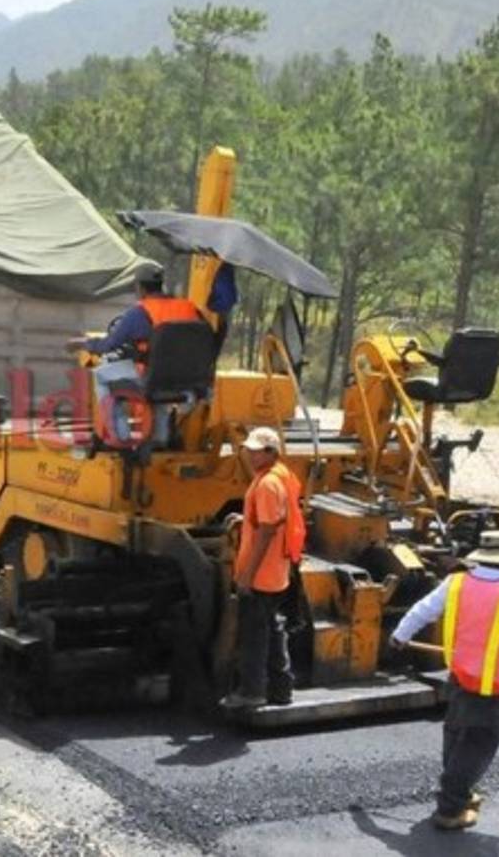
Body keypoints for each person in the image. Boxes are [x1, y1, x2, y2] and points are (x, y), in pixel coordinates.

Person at [390, 532, 499, 831]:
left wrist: (400, 635)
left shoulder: (456, 582)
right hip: (495, 685)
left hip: (460, 674)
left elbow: (423, 610)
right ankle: (451, 808)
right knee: (479, 743)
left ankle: (459, 790)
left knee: (455, 732)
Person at [66, 263, 203, 443]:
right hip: (185, 381)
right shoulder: (190, 309)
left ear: (140, 288)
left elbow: (108, 345)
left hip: (151, 377)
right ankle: (160, 440)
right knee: (159, 379)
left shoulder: (138, 313)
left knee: (101, 375)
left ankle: (120, 438)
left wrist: (82, 343)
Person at [222, 426, 304, 710]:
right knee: (273, 628)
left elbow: (268, 529)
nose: (251, 455)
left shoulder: (268, 483)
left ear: (272, 452)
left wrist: (248, 574)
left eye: (257, 451)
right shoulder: (280, 476)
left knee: (254, 635)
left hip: (262, 574)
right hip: (277, 572)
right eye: (250, 450)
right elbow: (270, 519)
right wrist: (245, 519)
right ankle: (281, 688)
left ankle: (252, 692)